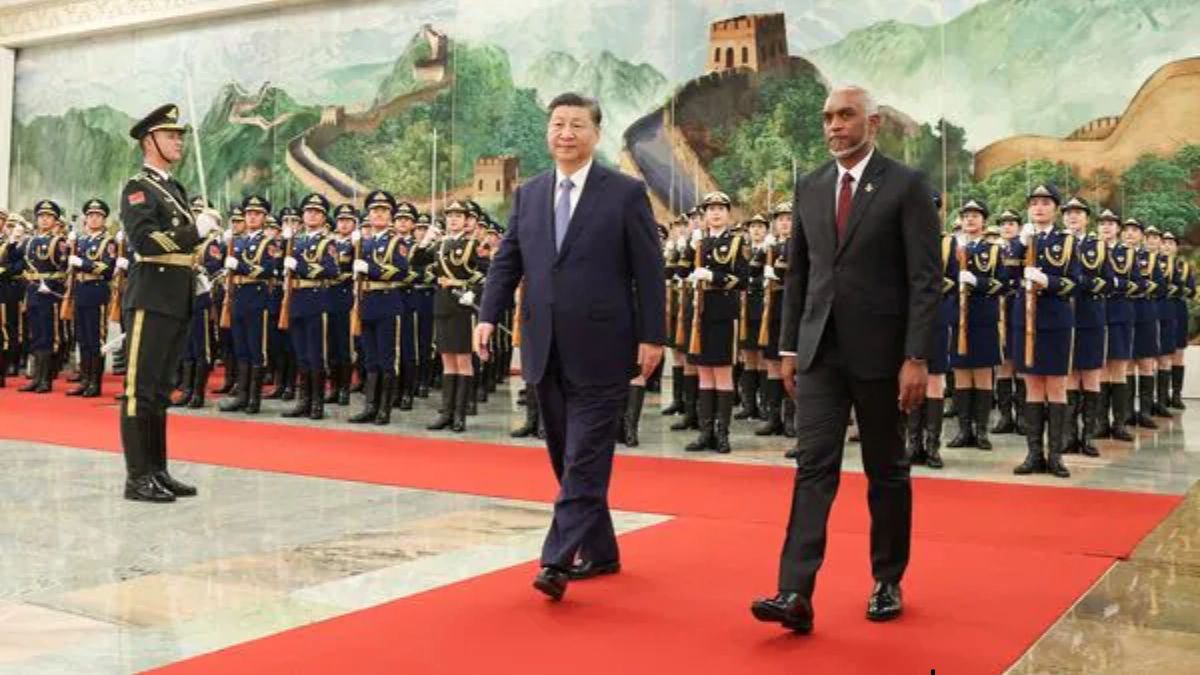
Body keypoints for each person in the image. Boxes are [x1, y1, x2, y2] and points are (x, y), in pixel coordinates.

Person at [750, 85, 939, 633]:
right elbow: (800, 274)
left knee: (886, 469)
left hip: (882, 356)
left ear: (872, 123)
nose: (834, 125)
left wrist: (916, 356)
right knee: (813, 467)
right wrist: (789, 347)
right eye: (828, 117)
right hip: (819, 354)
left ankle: (887, 578)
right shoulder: (810, 186)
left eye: (846, 116)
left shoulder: (905, 185)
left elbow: (925, 280)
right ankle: (794, 592)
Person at [474, 92, 665, 601]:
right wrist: (488, 315)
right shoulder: (530, 194)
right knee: (565, 454)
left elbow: (649, 271)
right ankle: (601, 550)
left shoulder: (624, 193)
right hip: (544, 344)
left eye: (577, 125)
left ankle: (556, 558)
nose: (566, 133)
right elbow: (508, 260)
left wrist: (653, 335)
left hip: (605, 345)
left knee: (585, 456)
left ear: (595, 134)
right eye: (558, 123)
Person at [118, 103, 218, 502]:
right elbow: (146, 241)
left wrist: (201, 242)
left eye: (179, 136)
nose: (178, 141)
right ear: (149, 141)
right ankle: (136, 477)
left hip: (177, 295)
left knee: (160, 391)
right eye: (170, 135)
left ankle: (157, 471)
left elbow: (179, 244)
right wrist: (195, 231)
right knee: (138, 390)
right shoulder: (138, 188)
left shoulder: (173, 188)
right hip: (151, 296)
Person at [1011, 184, 1081, 479]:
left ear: (1055, 209)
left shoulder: (1067, 242)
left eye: (1045, 203)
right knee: (1032, 385)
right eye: (1034, 203)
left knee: (1056, 386)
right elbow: (1007, 273)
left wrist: (1047, 281)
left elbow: (1075, 282)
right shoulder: (1020, 239)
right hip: (1025, 320)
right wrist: (1020, 244)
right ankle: (1033, 454)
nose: (1038, 208)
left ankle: (1055, 456)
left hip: (1055, 320)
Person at [683, 191, 749, 454]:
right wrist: (690, 253)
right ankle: (705, 433)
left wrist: (713, 277)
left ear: (728, 213)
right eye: (710, 209)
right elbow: (681, 270)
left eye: (721, 208)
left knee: (721, 373)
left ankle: (722, 434)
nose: (716, 213)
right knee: (703, 374)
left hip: (722, 312)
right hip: (699, 314)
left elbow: (742, 279)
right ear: (704, 214)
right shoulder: (698, 241)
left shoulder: (736, 242)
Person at [946, 198, 1005, 452]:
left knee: (982, 375)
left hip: (983, 318)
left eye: (975, 216)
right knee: (960, 374)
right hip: (957, 317)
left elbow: (1003, 284)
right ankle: (963, 430)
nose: (970, 220)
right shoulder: (951, 248)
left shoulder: (994, 251)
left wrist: (977, 282)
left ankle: (981, 431)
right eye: (966, 216)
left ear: (984, 221)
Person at [219, 195, 279, 414]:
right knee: (240, 349)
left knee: (256, 349)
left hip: (257, 297)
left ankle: (254, 399)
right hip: (238, 297)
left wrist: (240, 266)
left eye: (257, 214)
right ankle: (242, 396)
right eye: (249, 214)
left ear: (264, 217)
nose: (252, 217)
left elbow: (268, 270)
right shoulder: (239, 242)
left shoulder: (269, 242)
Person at [280, 194, 338, 420]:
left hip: (316, 300)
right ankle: (303, 401)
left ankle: (317, 403)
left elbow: (332, 270)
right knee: (301, 354)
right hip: (296, 300)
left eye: (317, 212)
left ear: (323, 217)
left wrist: (301, 266)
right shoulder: (296, 240)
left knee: (316, 354)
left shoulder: (327, 243)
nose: (311, 215)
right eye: (308, 211)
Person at [1061, 197, 1107, 457]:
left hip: (1090, 317)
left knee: (1090, 375)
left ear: (1087, 219)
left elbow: (1108, 281)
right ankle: (1069, 436)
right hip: (1063, 317)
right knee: (1068, 376)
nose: (1072, 217)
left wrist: (1081, 283)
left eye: (1078, 213)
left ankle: (1088, 437)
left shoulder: (1097, 246)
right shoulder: (1056, 244)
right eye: (1068, 213)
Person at [1097, 209, 1138, 442]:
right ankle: (1101, 423)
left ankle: (1120, 423)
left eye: (1111, 223)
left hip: (1121, 314)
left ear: (1118, 229)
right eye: (1102, 223)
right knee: (1101, 368)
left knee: (1119, 369)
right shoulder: (1089, 249)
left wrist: (1116, 284)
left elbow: (1140, 284)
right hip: (1097, 315)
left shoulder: (1128, 254)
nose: (1106, 227)